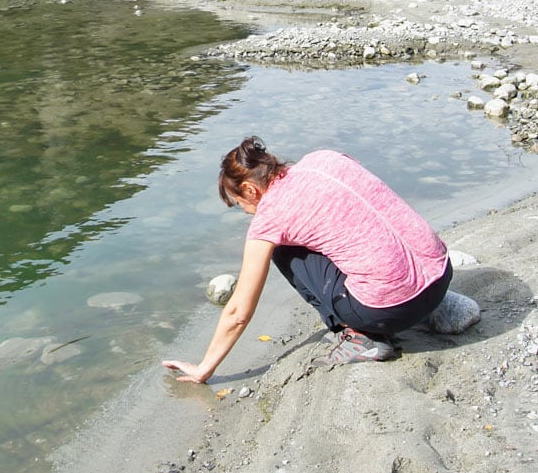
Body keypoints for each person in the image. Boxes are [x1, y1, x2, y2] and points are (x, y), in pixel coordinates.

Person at [161, 135, 456, 383]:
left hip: (393, 309)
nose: (247, 212)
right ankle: (423, 301)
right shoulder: (325, 157)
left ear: (250, 190)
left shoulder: (270, 216)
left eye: (241, 205)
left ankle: (359, 336)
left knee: (279, 248)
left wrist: (204, 369)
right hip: (440, 274)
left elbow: (239, 312)